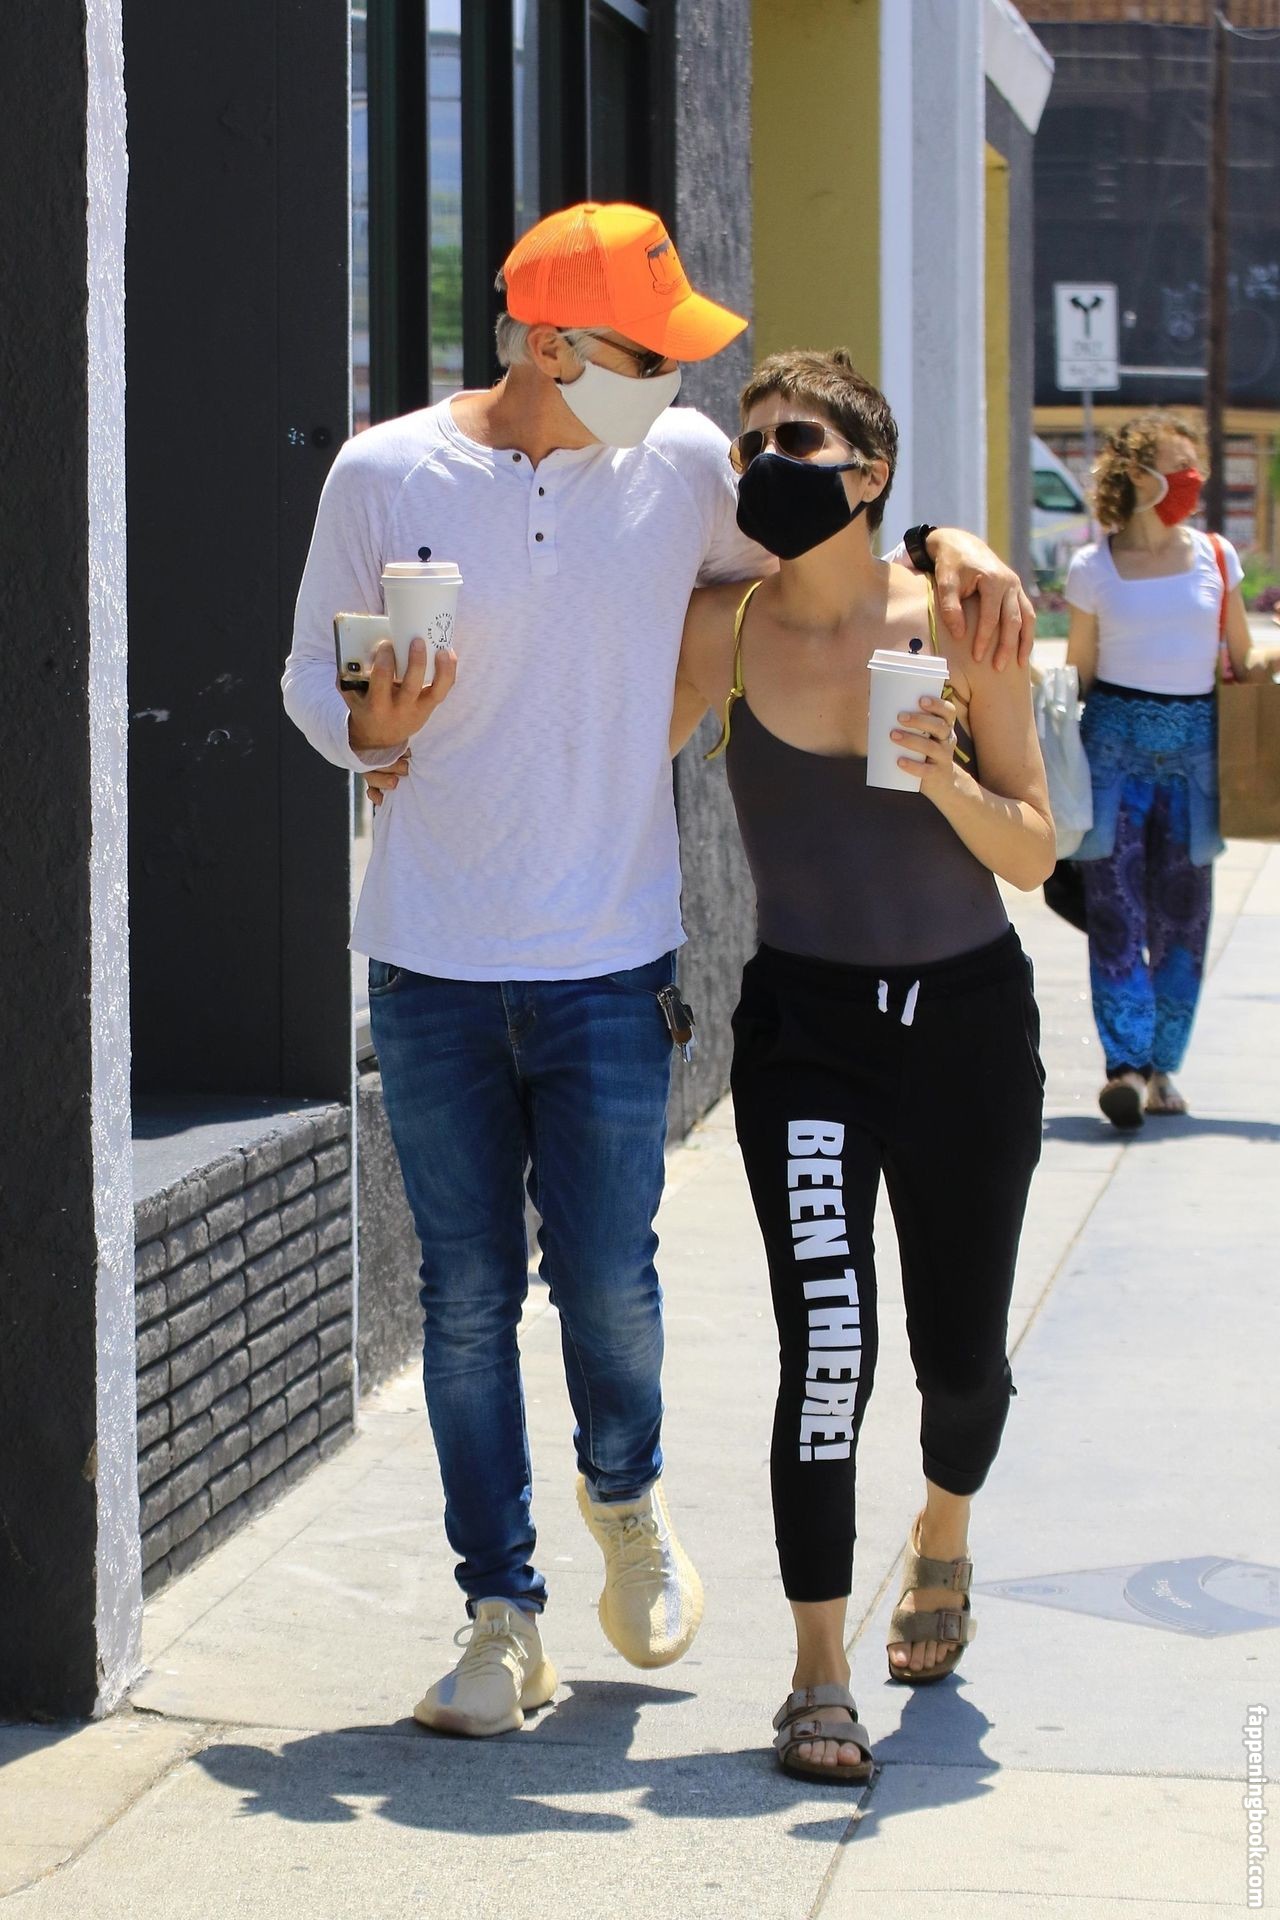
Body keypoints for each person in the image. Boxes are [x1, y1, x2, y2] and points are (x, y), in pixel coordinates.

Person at [287, 201, 1035, 1743]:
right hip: (430, 954)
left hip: (616, 957)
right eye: (651, 353)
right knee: (470, 1299)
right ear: (550, 343)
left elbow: (832, 547)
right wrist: (365, 731)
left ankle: (624, 1496)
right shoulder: (383, 473)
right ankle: (506, 1615)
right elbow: (312, 672)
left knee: (614, 1288)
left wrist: (952, 544)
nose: (680, 387)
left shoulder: (685, 466)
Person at [670, 349, 1053, 1783]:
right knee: (827, 1346)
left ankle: (942, 1532)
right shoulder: (722, 625)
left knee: (961, 1365)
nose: (767, 461)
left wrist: (944, 773)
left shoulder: (959, 619)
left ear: (870, 473)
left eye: (798, 439)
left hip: (964, 1028)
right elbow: (608, 741)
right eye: (751, 442)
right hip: (808, 1032)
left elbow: (1035, 848)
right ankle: (816, 1671)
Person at [1065, 413, 1257, 1129]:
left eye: (1193, 467)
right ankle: (1125, 1066)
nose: (1190, 481)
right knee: (1115, 915)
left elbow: (1242, 655)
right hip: (1111, 752)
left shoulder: (1216, 556)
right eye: (1176, 468)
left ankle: (1163, 1066)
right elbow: (1079, 675)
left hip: (1194, 757)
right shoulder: (1094, 568)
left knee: (1184, 917)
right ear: (1136, 475)